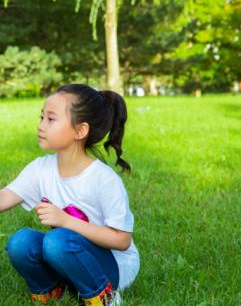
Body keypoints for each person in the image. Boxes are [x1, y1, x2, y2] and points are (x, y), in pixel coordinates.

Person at [0, 84, 139, 305]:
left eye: (51, 119)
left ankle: (104, 297)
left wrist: (66, 221)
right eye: (42, 117)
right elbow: (5, 197)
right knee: (20, 242)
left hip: (113, 267)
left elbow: (122, 240)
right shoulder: (41, 168)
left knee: (56, 240)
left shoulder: (103, 179)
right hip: (68, 253)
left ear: (80, 131)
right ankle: (50, 291)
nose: (41, 126)